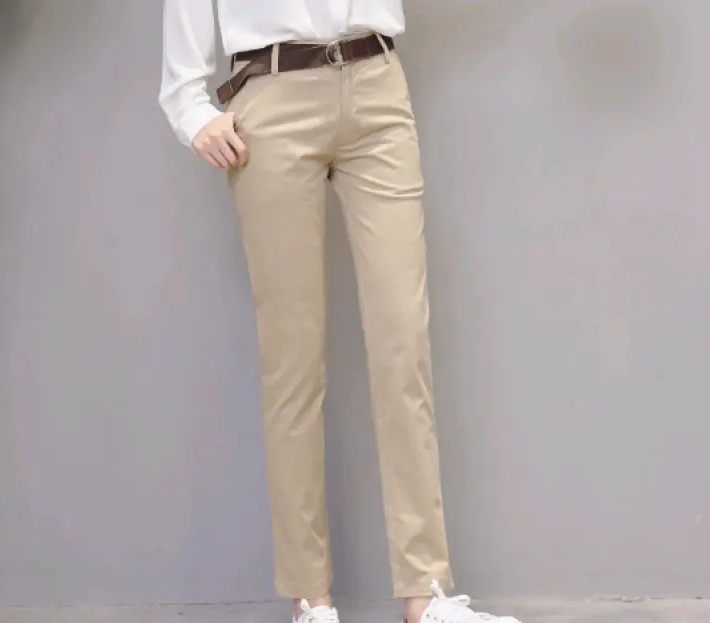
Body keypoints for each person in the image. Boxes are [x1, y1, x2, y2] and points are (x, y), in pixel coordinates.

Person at [159, 2, 520, 622]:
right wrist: (193, 114)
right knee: (292, 363)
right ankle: (311, 601)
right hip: (271, 98)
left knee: (403, 347)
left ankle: (426, 596)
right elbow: (183, 60)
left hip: (377, 86)